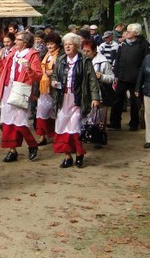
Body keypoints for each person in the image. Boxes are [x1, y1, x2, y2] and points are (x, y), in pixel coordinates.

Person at [50, 33, 101, 168]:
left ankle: (79, 154)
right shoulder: (60, 60)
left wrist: (95, 97)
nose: (67, 46)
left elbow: (92, 80)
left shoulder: (85, 61)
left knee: (75, 127)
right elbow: (54, 75)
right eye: (65, 44)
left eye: (70, 44)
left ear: (77, 46)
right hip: (63, 98)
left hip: (78, 98)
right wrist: (54, 82)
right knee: (62, 126)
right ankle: (67, 156)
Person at [0, 31, 42, 162]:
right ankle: (12, 150)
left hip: (22, 89)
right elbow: (1, 71)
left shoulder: (32, 55)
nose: (15, 42)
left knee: (20, 121)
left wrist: (29, 69)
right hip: (8, 88)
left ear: (25, 43)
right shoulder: (12, 54)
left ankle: (32, 144)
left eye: (18, 40)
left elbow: (38, 76)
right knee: (7, 121)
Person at [109, 23, 150, 131]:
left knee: (134, 102)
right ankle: (115, 122)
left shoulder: (144, 45)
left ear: (136, 33)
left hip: (136, 79)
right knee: (117, 100)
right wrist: (116, 73)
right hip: (122, 77)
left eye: (129, 31)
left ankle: (134, 123)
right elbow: (117, 59)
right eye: (126, 31)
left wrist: (142, 78)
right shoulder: (123, 44)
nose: (126, 33)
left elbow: (146, 62)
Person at [82, 39, 115, 140]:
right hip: (85, 93)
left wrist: (101, 77)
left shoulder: (103, 62)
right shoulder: (81, 60)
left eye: (88, 51)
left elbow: (112, 78)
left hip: (99, 93)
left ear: (95, 50)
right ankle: (85, 135)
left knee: (98, 117)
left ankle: (98, 137)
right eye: (83, 50)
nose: (85, 53)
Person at [35, 32, 61, 146]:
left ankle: (55, 135)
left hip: (55, 88)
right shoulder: (45, 54)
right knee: (41, 111)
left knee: (55, 112)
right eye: (47, 44)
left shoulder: (61, 55)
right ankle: (42, 135)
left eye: (51, 44)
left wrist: (54, 72)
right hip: (44, 87)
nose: (49, 46)